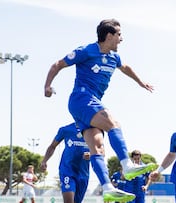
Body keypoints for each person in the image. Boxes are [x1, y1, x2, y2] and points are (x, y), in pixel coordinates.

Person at [44, 18, 157, 202]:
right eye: (119, 35)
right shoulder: (86, 51)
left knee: (97, 147)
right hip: (81, 99)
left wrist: (140, 82)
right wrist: (47, 86)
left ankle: (107, 187)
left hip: (91, 103)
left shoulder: (114, 56)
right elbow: (58, 64)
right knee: (113, 123)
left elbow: (125, 68)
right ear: (109, 35)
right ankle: (127, 164)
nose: (122, 39)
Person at [40, 123, 93, 203]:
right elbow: (52, 146)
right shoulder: (65, 129)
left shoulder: (92, 130)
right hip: (67, 171)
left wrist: (91, 155)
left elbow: (101, 151)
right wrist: (44, 161)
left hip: (83, 174)